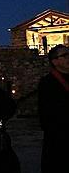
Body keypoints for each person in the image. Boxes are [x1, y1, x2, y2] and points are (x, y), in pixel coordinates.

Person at [38, 44, 69, 173]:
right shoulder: (47, 83)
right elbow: (47, 118)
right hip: (58, 143)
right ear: (55, 61)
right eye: (65, 55)